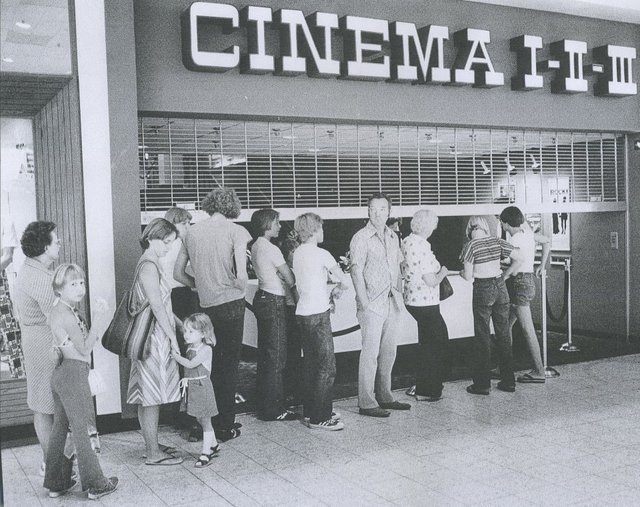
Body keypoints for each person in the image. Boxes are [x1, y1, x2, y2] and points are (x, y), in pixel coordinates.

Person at [174, 187, 251, 441]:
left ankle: (201, 424)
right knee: (228, 367)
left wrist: (199, 284)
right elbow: (241, 276)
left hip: (204, 305)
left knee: (203, 367)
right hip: (230, 304)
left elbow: (178, 273)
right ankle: (225, 426)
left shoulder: (192, 232)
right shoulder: (236, 231)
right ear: (232, 207)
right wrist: (235, 287)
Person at [45, 264, 118, 499]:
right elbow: (85, 348)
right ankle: (96, 484)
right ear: (59, 288)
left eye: (81, 283)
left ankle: (57, 482)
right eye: (72, 284)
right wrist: (99, 319)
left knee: (60, 428)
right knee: (84, 429)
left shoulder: (59, 309)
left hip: (61, 374)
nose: (79, 288)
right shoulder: (67, 314)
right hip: (74, 374)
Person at [127, 218, 183, 465]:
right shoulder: (149, 264)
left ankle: (152, 444)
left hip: (152, 334)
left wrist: (178, 324)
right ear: (151, 238)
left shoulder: (149, 262)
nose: (168, 247)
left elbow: (159, 304)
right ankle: (152, 453)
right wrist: (172, 335)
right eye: (166, 241)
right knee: (152, 396)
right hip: (154, 338)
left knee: (146, 394)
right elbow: (157, 305)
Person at [350, 194, 410, 417]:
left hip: (392, 300)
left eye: (382, 209)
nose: (377, 213)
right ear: (368, 211)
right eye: (373, 209)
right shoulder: (361, 237)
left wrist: (400, 284)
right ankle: (366, 402)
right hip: (372, 303)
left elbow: (398, 263)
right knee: (370, 352)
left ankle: (385, 395)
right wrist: (363, 301)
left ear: (388, 211)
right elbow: (355, 269)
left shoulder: (393, 237)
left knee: (389, 351)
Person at [12, 221, 60, 473]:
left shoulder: (29, 271)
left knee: (42, 403)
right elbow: (57, 318)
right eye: (56, 240)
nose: (60, 244)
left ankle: (51, 462)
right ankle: (52, 465)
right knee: (45, 404)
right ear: (44, 246)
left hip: (36, 341)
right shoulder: (40, 277)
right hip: (44, 343)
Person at [293, 213, 346, 431]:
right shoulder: (322, 253)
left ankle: (312, 410)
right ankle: (321, 417)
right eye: (321, 228)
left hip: (303, 312)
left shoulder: (297, 253)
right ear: (314, 230)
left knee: (311, 364)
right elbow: (342, 280)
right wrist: (334, 292)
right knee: (327, 366)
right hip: (319, 313)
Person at [459, 216, 520, 395]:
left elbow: (468, 276)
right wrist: (506, 275)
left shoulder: (470, 246)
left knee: (482, 336)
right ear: (486, 227)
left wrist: (462, 271)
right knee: (503, 334)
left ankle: (482, 384)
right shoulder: (497, 241)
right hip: (500, 287)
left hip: (483, 288)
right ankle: (509, 381)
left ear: (470, 229)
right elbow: (520, 258)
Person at [250, 209, 298, 421]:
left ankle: (265, 402)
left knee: (267, 354)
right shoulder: (271, 248)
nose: (279, 226)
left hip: (261, 297)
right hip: (274, 300)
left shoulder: (256, 245)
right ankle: (274, 408)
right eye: (277, 223)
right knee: (277, 356)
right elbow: (289, 277)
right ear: (268, 224)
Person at [401, 210, 451, 402]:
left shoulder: (406, 241)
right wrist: (444, 272)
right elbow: (431, 280)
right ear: (428, 226)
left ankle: (423, 386)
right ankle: (428, 390)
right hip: (426, 301)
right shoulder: (421, 245)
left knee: (427, 343)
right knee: (436, 344)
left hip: (413, 299)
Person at [499, 206, 551, 383]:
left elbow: (516, 264)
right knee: (505, 326)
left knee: (527, 329)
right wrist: (541, 265)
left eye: (502, 223)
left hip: (520, 283)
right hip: (525, 282)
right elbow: (547, 240)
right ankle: (504, 366)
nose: (502, 226)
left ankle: (539, 370)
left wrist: (504, 274)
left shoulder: (516, 238)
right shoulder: (528, 234)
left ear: (506, 223)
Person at [171, 313, 220, 467]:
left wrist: (175, 356)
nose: (186, 335)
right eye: (186, 331)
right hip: (193, 388)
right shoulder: (191, 347)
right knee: (200, 418)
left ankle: (206, 454)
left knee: (205, 421)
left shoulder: (206, 350)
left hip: (202, 388)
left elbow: (191, 365)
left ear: (203, 333)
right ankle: (214, 444)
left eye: (191, 332)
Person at [161, 207, 197, 322]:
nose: (188, 227)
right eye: (183, 223)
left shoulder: (165, 243)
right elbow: (180, 275)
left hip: (168, 294)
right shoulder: (177, 245)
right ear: (172, 225)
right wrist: (198, 285)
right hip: (179, 295)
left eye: (189, 223)